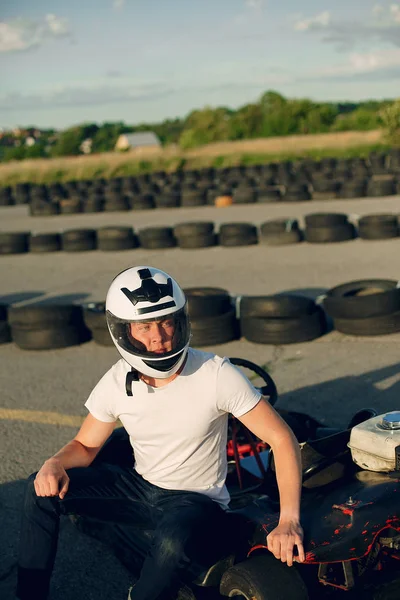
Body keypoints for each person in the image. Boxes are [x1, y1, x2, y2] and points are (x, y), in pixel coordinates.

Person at [16, 266, 305, 600]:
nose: (158, 336)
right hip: (141, 489)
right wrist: (55, 462)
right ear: (123, 331)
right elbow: (85, 445)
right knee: (39, 489)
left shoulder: (215, 374)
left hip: (196, 501)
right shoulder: (116, 381)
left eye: (166, 322)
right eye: (144, 326)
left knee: (172, 539)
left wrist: (289, 520)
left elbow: (282, 439)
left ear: (180, 322)